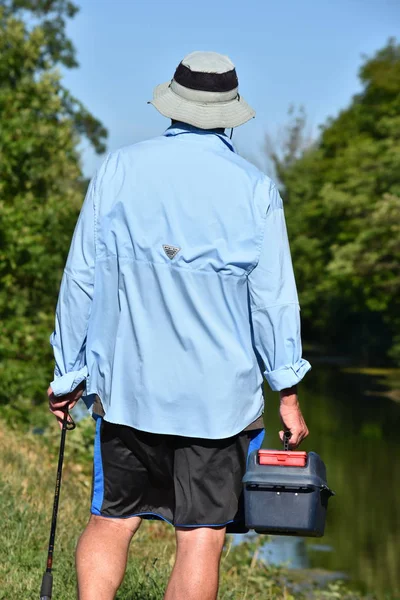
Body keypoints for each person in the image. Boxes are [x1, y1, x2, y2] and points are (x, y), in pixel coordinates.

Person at [48, 51, 311, 600]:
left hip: (128, 393)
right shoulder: (255, 190)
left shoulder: (118, 169)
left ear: (173, 104)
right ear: (230, 112)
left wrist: (67, 374)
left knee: (112, 520)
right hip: (217, 406)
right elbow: (273, 303)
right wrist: (287, 389)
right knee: (200, 538)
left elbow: (80, 281)